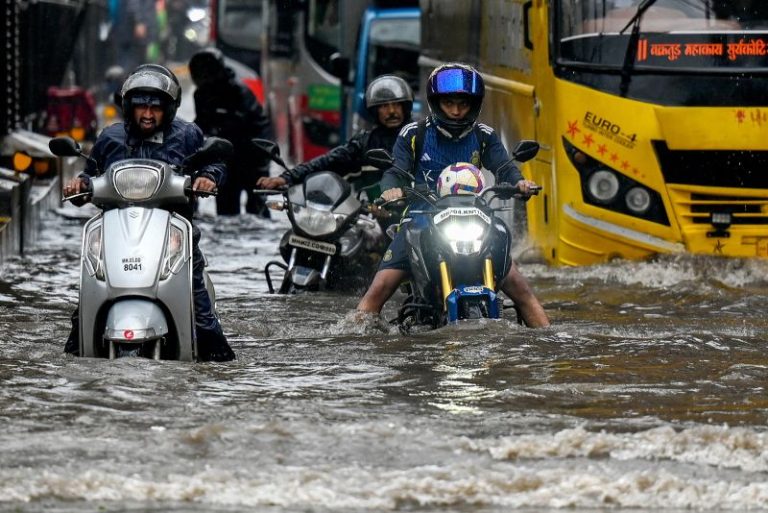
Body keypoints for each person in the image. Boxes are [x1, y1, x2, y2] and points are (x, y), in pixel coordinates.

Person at [62, 63, 236, 361]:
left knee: (203, 319)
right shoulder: (110, 138)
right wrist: (79, 184)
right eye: (140, 106)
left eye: (155, 108)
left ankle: (219, 364)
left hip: (172, 235)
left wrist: (208, 177)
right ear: (128, 108)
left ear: (168, 109)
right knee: (82, 319)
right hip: (117, 235)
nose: (147, 114)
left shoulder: (187, 135)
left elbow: (214, 163)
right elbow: (91, 174)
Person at [355, 63, 550, 328]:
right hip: (420, 220)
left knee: (521, 290)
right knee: (379, 288)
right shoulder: (414, 134)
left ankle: (549, 341)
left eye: (463, 104)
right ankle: (353, 335)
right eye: (449, 103)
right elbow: (396, 171)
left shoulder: (484, 135)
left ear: (474, 104)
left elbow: (504, 167)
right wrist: (391, 190)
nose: (456, 111)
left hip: (475, 218)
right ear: (436, 103)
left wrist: (520, 183)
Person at [256, 74, 414, 201]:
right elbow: (328, 161)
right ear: (374, 111)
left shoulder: (422, 137)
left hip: (417, 216)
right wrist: (287, 178)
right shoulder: (364, 143)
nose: (392, 111)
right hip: (375, 217)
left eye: (397, 105)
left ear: (405, 107)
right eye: (385, 106)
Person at [189, 47, 274, 216]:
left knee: (258, 209)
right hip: (225, 160)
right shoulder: (201, 94)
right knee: (226, 210)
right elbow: (202, 123)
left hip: (251, 158)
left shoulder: (240, 91)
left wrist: (263, 158)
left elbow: (259, 124)